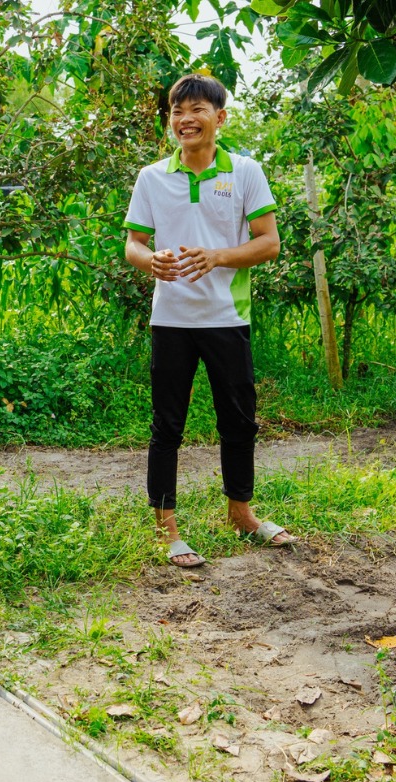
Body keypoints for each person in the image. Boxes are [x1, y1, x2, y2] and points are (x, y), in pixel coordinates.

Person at [123, 73, 298, 569]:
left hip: (227, 317)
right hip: (172, 320)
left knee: (239, 422)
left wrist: (218, 257)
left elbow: (269, 242)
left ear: (219, 118)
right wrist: (147, 260)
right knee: (168, 426)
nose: (184, 119)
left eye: (197, 109)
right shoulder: (152, 177)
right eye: (177, 112)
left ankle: (241, 514)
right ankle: (166, 527)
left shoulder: (244, 172)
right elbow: (133, 243)